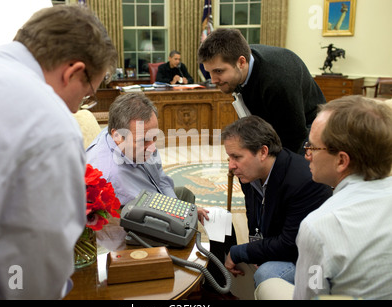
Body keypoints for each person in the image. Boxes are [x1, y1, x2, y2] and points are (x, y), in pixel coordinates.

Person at [0, 5, 117, 300]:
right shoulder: (48, 123)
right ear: (73, 72)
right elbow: (26, 282)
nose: (77, 109)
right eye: (87, 95)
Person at [294, 96, 392, 300]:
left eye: (313, 147)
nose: (307, 154)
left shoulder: (319, 226)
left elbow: (308, 296)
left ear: (341, 160)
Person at [217, 115, 332, 289]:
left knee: (268, 273)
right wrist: (257, 251)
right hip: (288, 246)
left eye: (237, 157)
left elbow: (291, 245)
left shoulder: (303, 182)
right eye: (229, 158)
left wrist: (243, 252)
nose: (231, 166)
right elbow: (254, 215)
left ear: (263, 152)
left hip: (313, 260)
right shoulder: (250, 174)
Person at [197, 28, 326, 154]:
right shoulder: (236, 62)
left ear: (241, 62)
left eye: (218, 71)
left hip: (311, 131)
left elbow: (294, 140)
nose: (213, 80)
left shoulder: (277, 80)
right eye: (209, 72)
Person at [86, 93, 207, 215]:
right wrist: (179, 214)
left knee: (186, 194)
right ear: (117, 136)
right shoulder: (110, 179)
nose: (152, 149)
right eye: (142, 141)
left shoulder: (132, 133)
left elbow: (160, 178)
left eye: (154, 137)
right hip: (137, 218)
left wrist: (178, 208)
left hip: (152, 197)